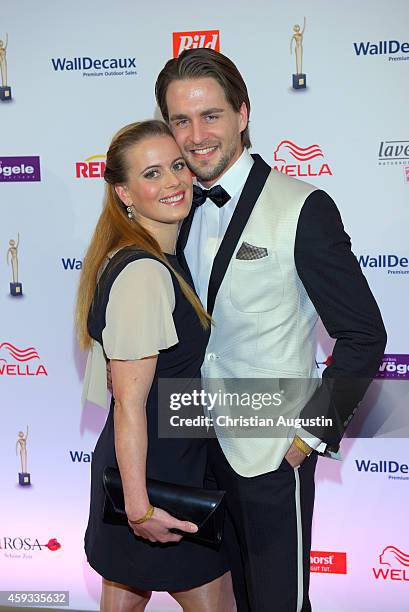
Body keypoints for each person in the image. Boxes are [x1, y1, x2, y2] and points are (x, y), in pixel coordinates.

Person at [155, 49, 387, 611]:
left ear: (243, 113)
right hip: (190, 443)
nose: (196, 135)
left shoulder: (301, 206)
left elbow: (363, 335)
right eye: (180, 121)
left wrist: (307, 439)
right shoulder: (169, 205)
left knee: (278, 602)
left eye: (210, 115)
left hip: (268, 449)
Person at [76, 120, 235, 612]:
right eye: (152, 173)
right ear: (124, 192)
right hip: (155, 480)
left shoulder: (159, 257)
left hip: (164, 468)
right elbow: (128, 406)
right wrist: (139, 507)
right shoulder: (143, 272)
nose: (173, 181)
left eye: (178, 165)